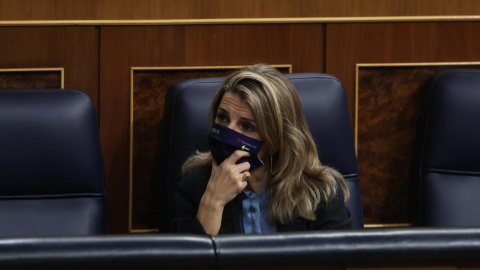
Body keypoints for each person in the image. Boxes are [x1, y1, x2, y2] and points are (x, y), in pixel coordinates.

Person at [171, 63, 352, 235]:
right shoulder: (196, 185)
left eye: (247, 126)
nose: (228, 132)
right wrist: (213, 201)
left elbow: (340, 261)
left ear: (275, 141)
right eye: (223, 118)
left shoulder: (319, 192)